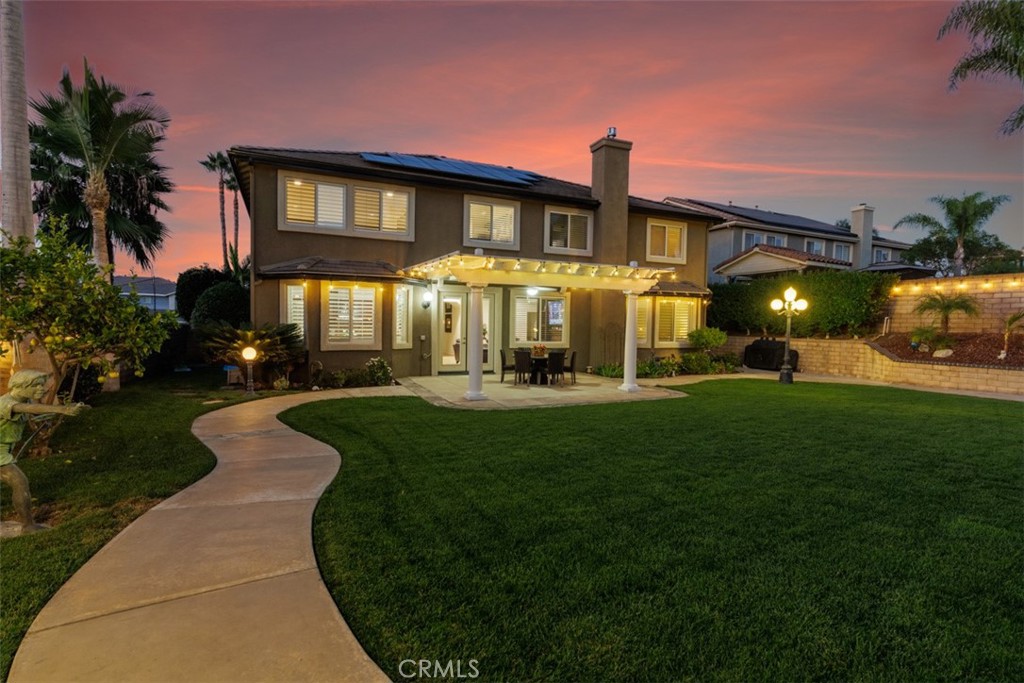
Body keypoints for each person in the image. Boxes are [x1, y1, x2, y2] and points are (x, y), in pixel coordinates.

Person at [1, 369, 86, 534]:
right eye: (37, 386)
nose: (42, 389)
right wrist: (62, 410)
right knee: (19, 482)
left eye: (42, 385)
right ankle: (28, 526)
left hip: (4, 450)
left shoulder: (23, 400)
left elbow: (29, 413)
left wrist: (46, 420)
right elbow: (31, 408)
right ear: (21, 386)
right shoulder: (7, 403)